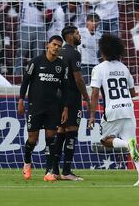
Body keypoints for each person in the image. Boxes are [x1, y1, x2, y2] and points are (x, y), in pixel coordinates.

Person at [88, 34, 139, 187]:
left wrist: (92, 115)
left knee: (105, 140)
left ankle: (128, 145)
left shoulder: (98, 68)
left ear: (103, 51)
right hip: (128, 108)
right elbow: (133, 93)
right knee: (132, 140)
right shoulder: (124, 67)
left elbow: (95, 93)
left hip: (112, 110)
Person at [17, 35, 68, 181]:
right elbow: (25, 82)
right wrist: (21, 100)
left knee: (50, 138)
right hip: (35, 106)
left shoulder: (61, 65)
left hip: (53, 107)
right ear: (48, 45)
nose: (56, 48)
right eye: (54, 45)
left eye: (59, 46)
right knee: (33, 140)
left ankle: (49, 172)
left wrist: (65, 108)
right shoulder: (36, 62)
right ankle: (27, 163)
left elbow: (65, 88)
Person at [52, 25, 90, 181]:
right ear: (69, 37)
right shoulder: (74, 53)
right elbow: (78, 79)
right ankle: (66, 171)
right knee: (72, 132)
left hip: (57, 96)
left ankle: (54, 171)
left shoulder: (59, 52)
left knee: (60, 132)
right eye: (77, 33)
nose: (79, 36)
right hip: (72, 96)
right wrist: (86, 97)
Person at [78, 13, 101, 84]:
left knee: (95, 85)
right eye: (92, 21)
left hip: (95, 64)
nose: (94, 23)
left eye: (96, 21)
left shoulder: (100, 35)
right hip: (83, 63)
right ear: (87, 22)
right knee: (85, 85)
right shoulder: (80, 31)